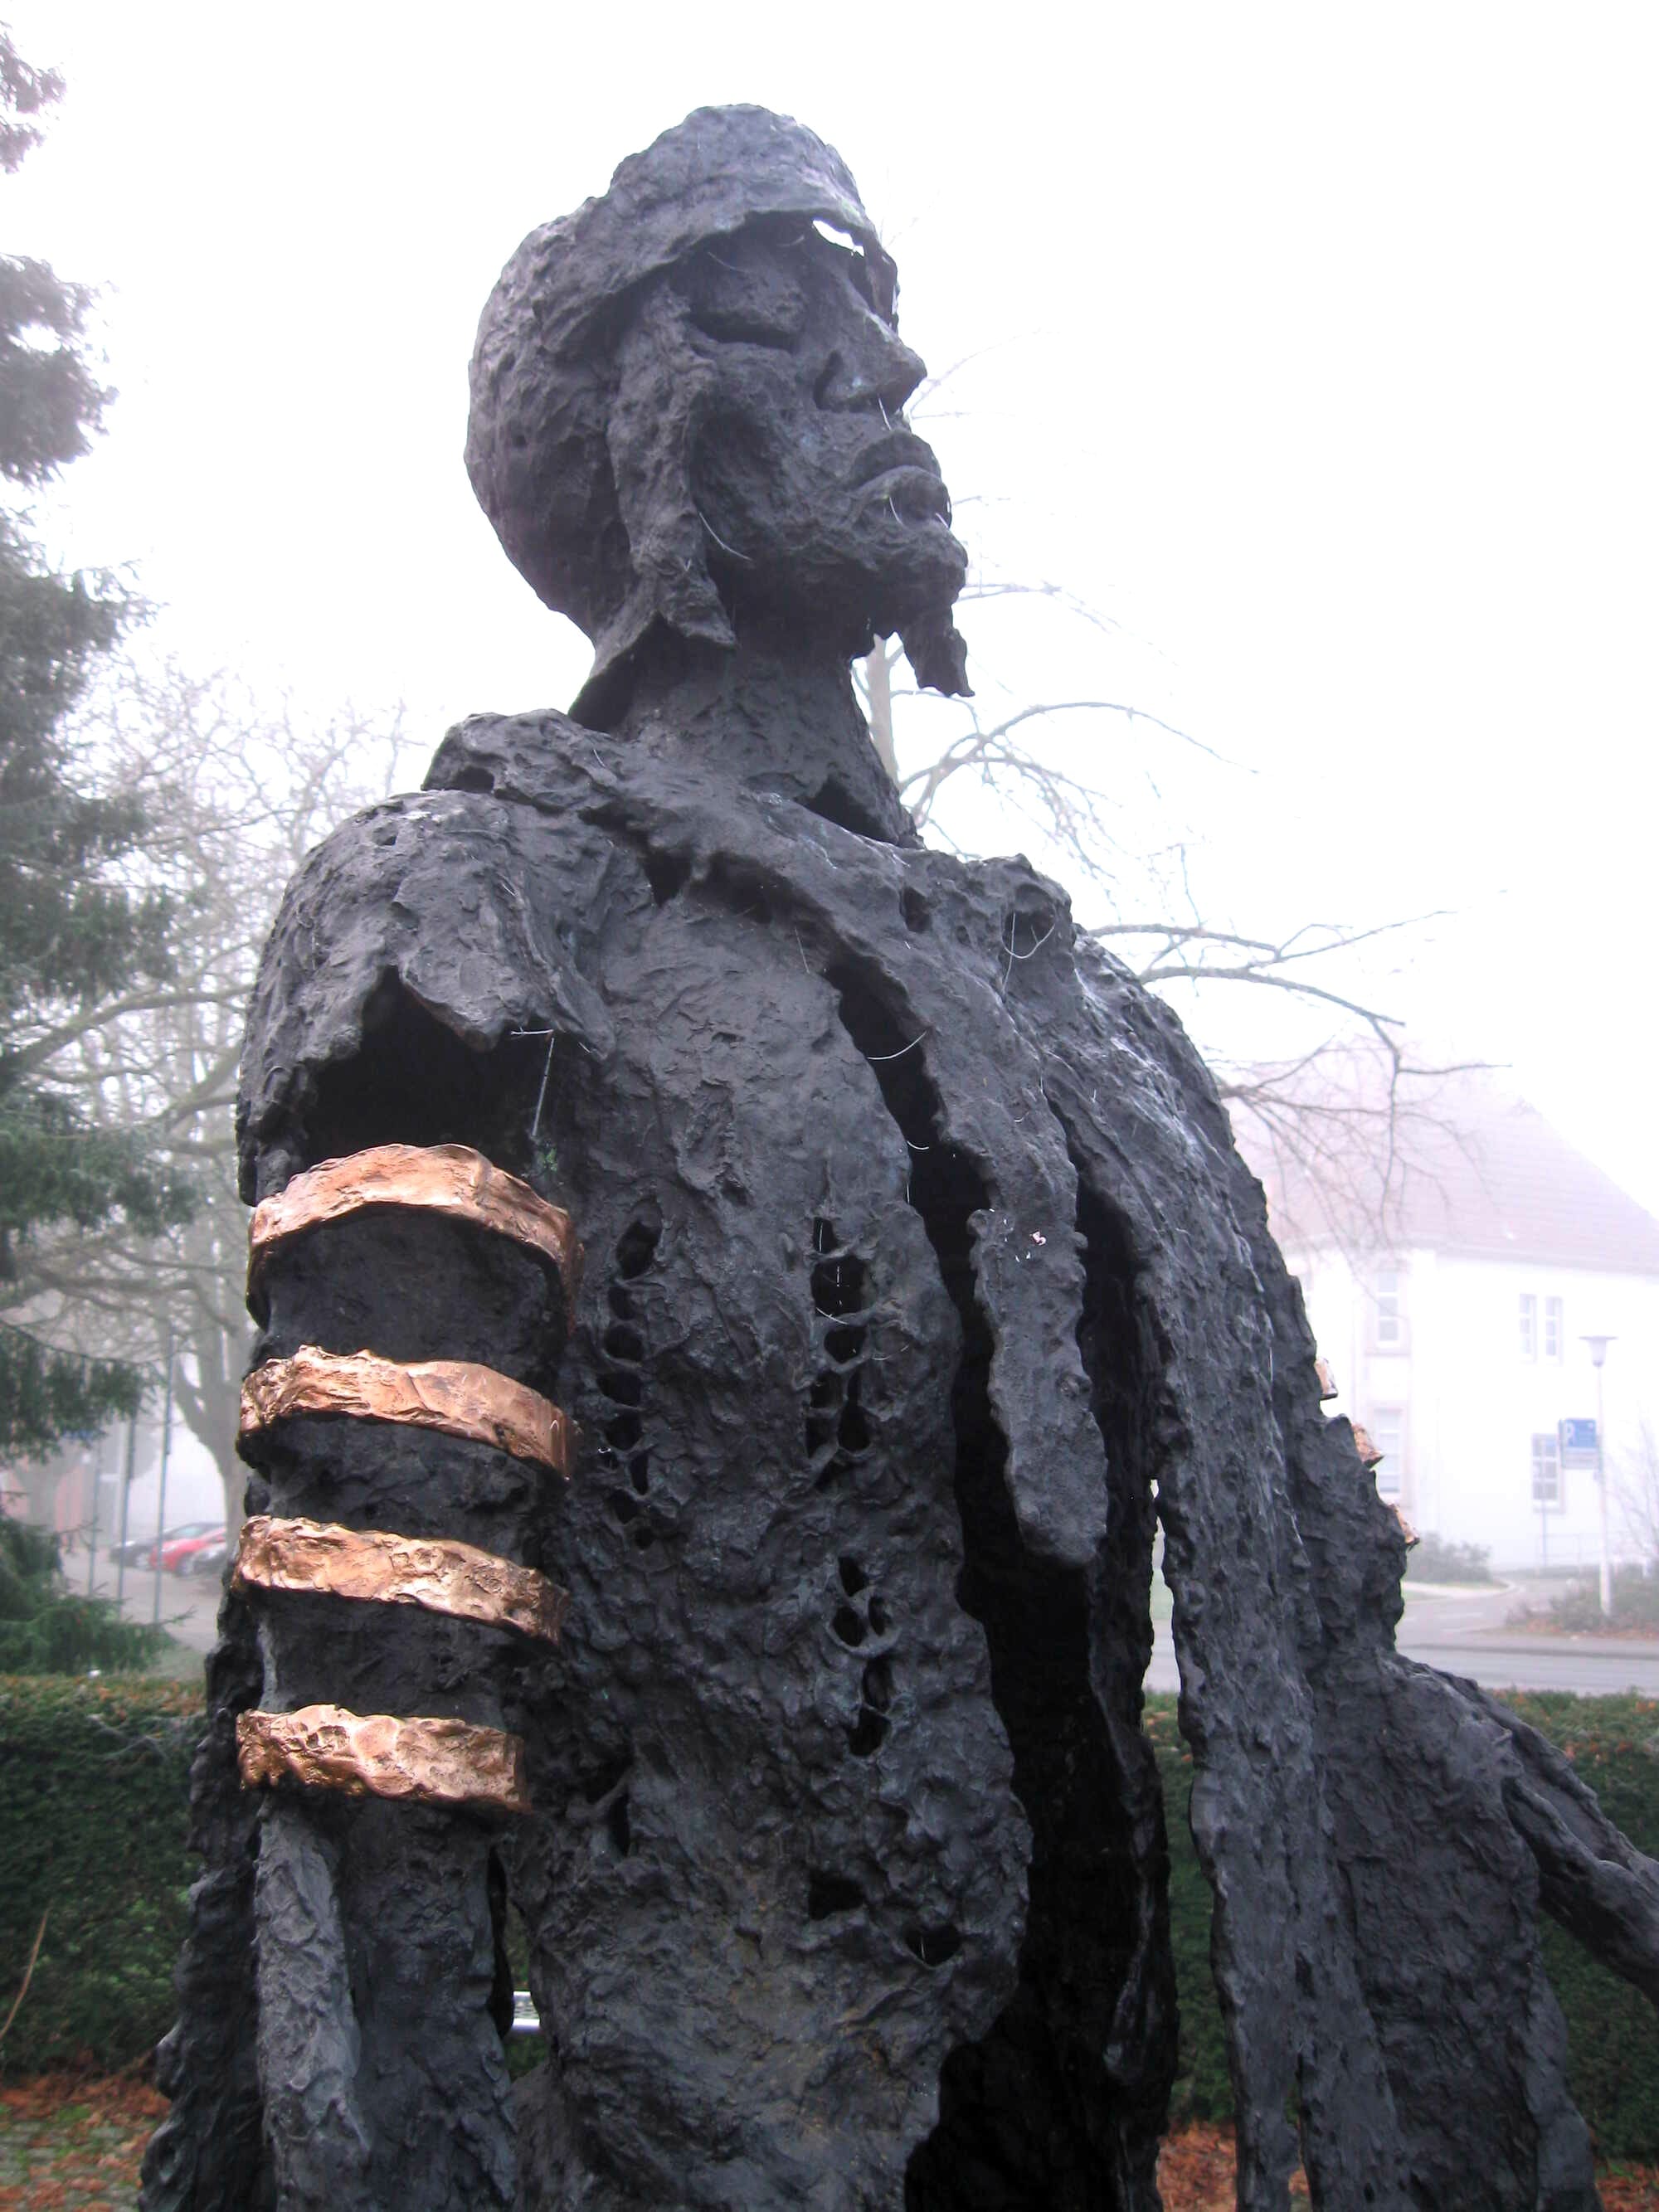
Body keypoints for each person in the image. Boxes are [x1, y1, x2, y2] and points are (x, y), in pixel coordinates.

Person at [144, 108, 1656, 2212]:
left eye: (881, 323)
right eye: (774, 328)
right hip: (701, 2141)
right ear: (635, 432)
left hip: (1070, 2118)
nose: (884, 376)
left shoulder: (1081, 1010)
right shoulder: (474, 897)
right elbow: (380, 1691)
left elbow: (1319, 1605)